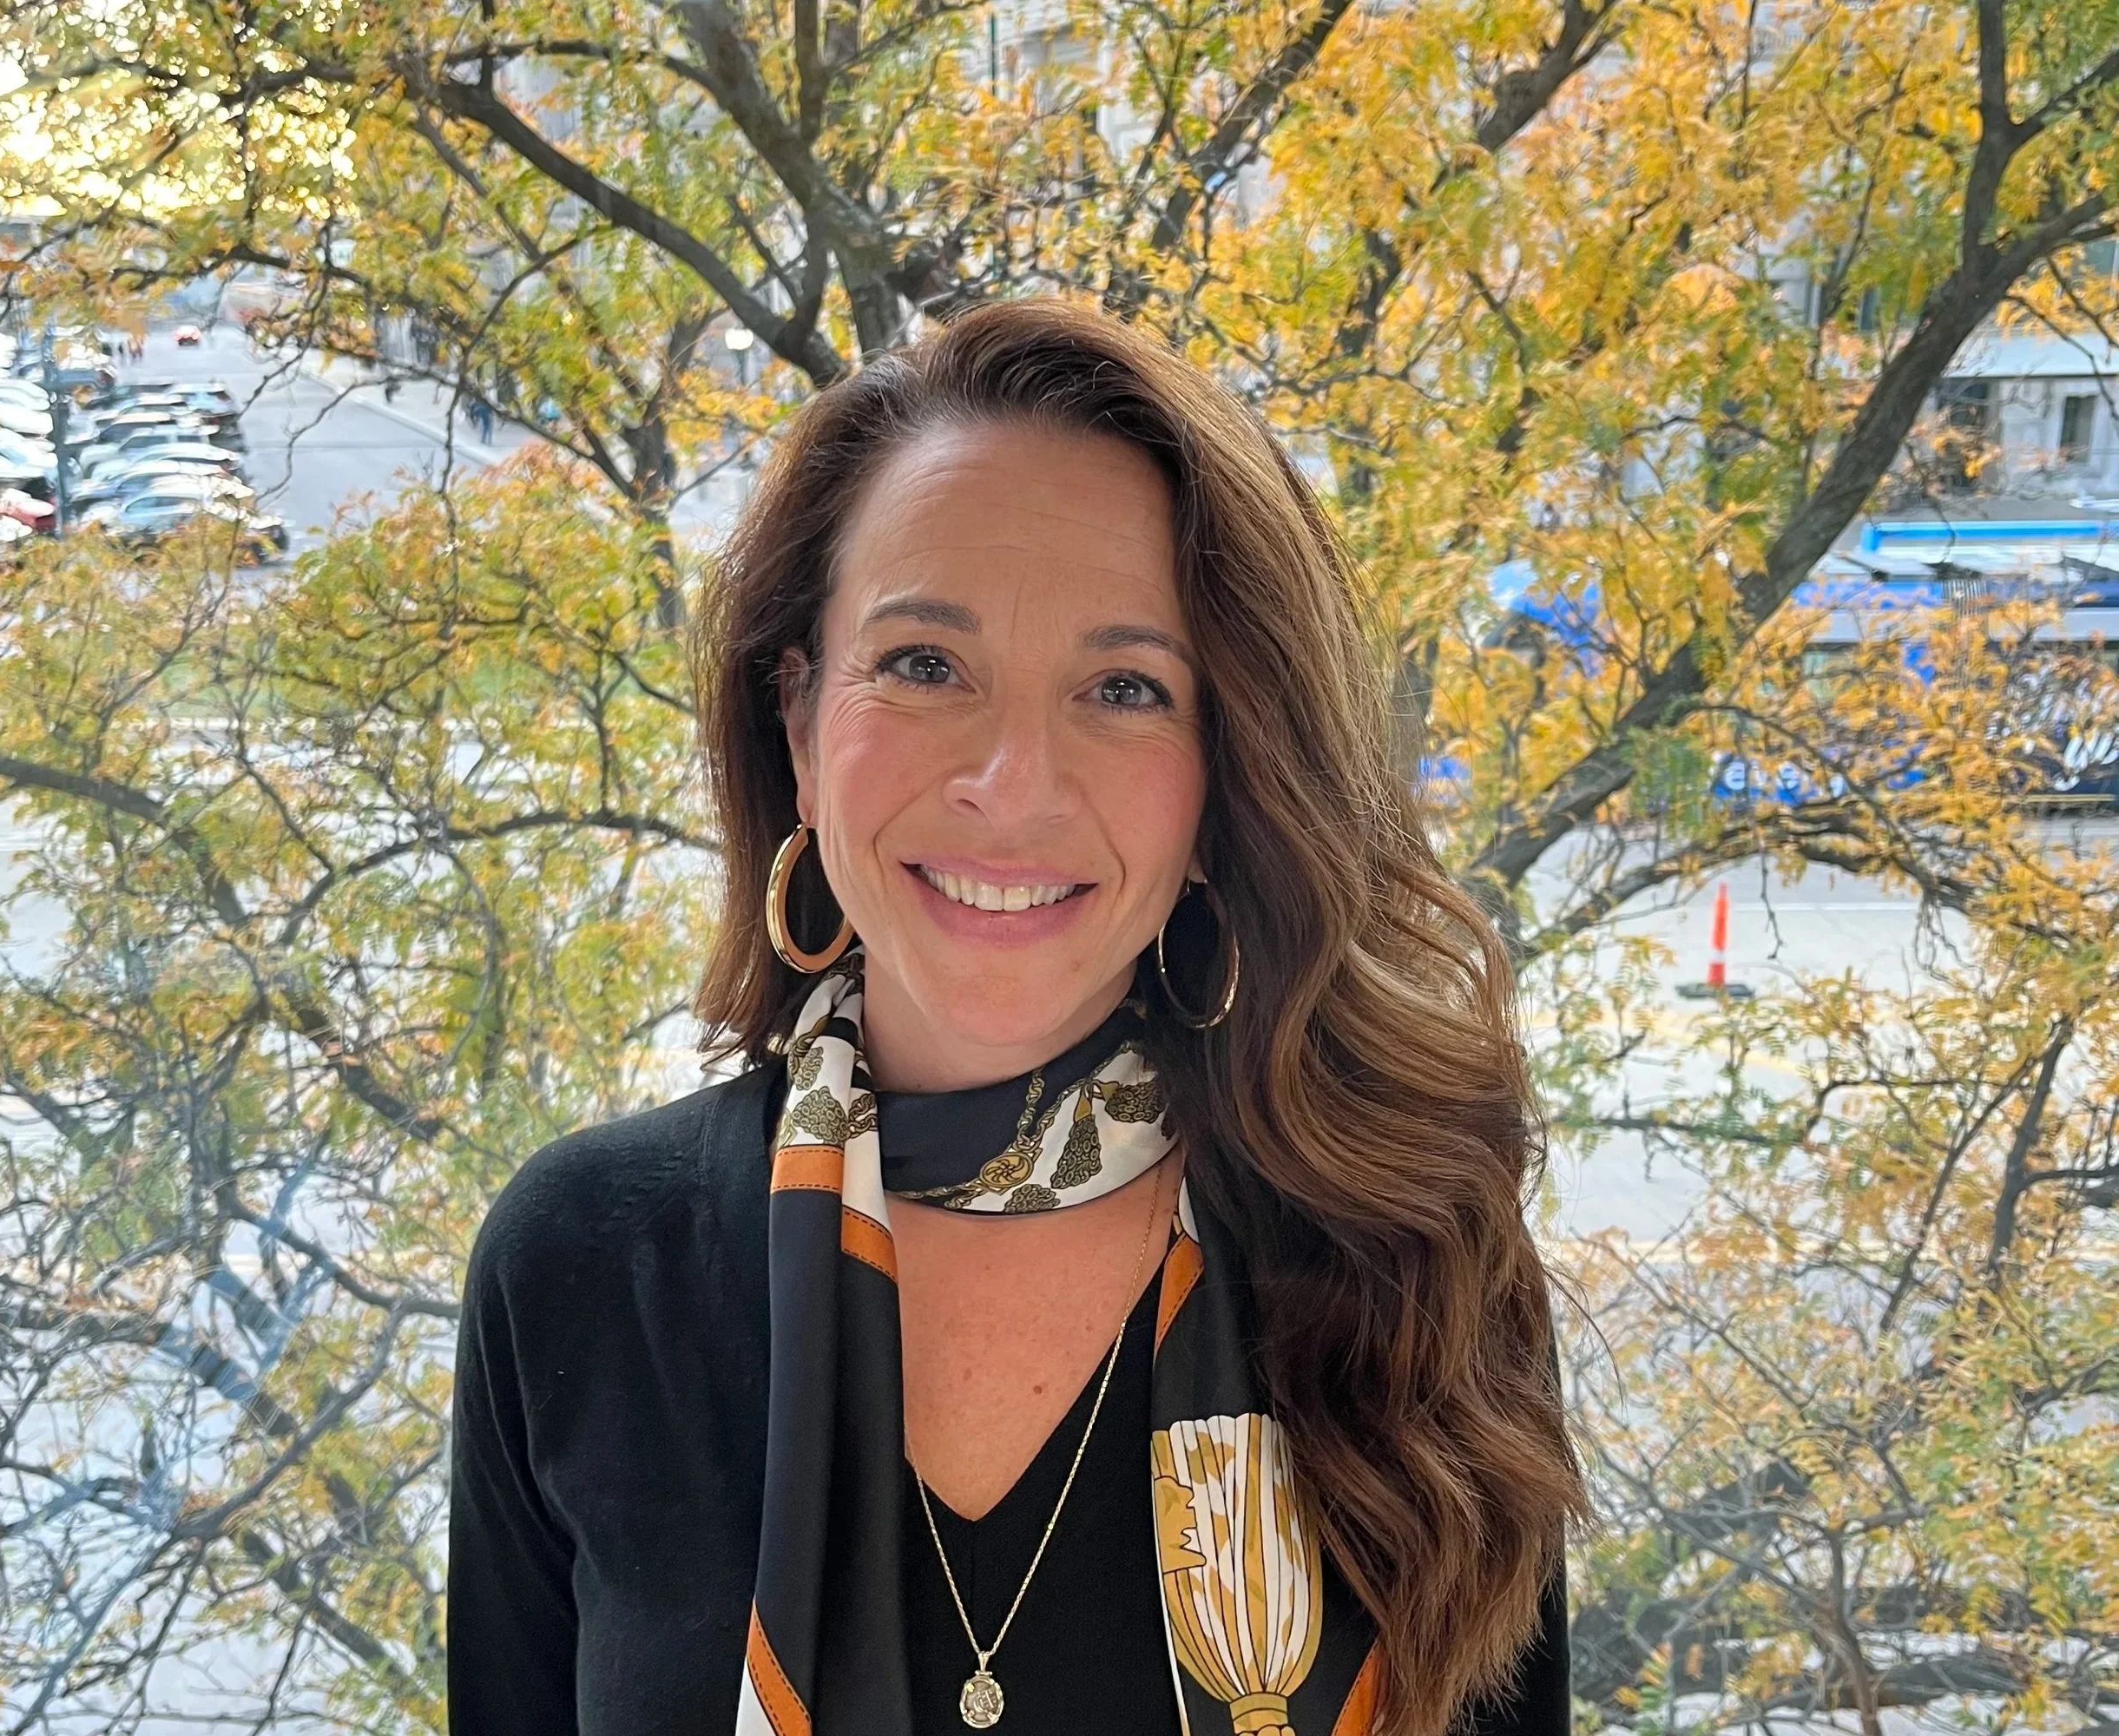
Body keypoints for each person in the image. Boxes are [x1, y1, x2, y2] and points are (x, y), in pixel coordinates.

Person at [448, 299, 1587, 1736]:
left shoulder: (1412, 1265)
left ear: (1224, 782)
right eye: (925, 664)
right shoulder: (584, 1268)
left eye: (1124, 688)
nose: (1014, 783)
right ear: (799, 724)